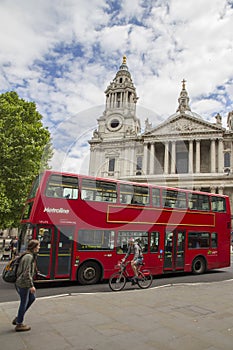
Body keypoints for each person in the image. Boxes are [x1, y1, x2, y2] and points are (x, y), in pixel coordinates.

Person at [12, 239, 40, 332]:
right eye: (38, 246)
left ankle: (19, 318)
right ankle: (19, 324)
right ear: (34, 247)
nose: (39, 248)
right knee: (24, 302)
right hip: (23, 283)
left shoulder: (29, 255)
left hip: (22, 282)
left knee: (31, 298)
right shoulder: (28, 257)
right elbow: (26, 273)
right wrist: (31, 285)